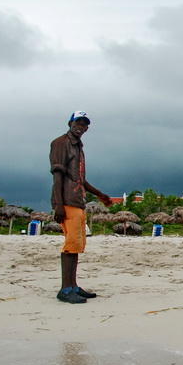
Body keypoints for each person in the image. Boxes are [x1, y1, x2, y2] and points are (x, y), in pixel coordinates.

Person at [49, 111, 113, 303]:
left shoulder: (78, 147)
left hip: (77, 200)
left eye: (84, 125)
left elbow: (80, 179)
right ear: (70, 123)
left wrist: (100, 194)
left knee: (76, 245)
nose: (81, 127)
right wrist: (59, 204)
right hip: (67, 200)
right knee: (71, 245)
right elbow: (57, 174)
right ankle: (65, 289)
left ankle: (73, 286)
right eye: (78, 123)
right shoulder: (61, 143)